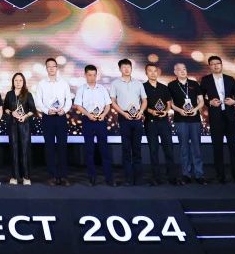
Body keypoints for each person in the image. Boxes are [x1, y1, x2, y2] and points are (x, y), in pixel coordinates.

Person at [200, 55, 235, 184]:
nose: (216, 65)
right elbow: (200, 97)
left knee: (233, 148)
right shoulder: (206, 80)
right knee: (217, 148)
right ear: (210, 66)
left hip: (230, 118)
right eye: (213, 64)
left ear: (221, 64)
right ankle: (220, 176)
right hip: (216, 118)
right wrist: (209, 102)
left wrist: (234, 101)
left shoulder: (230, 79)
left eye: (218, 63)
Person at [73, 64, 115, 186]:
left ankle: (109, 178)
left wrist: (104, 115)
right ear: (85, 75)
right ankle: (92, 177)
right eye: (90, 75)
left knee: (105, 150)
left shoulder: (102, 88)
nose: (92, 77)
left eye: (94, 75)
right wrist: (88, 114)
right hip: (88, 121)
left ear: (97, 75)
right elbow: (78, 105)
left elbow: (108, 105)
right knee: (89, 151)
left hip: (101, 121)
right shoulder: (81, 89)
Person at [110, 58, 147, 186]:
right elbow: (113, 102)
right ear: (120, 69)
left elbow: (144, 100)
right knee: (126, 149)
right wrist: (123, 113)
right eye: (124, 67)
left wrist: (141, 112)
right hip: (124, 117)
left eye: (128, 67)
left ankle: (138, 178)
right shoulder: (115, 83)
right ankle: (128, 178)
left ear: (131, 68)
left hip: (137, 117)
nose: (126, 69)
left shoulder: (138, 83)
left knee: (137, 149)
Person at [36, 57, 73, 186]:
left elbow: (69, 100)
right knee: (49, 147)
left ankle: (63, 176)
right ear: (46, 69)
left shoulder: (64, 83)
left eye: (54, 66)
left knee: (63, 147)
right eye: (49, 66)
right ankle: (52, 176)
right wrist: (47, 111)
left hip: (61, 117)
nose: (51, 68)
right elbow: (38, 102)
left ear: (57, 68)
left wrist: (65, 110)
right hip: (48, 118)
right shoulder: (41, 84)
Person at [169, 62, 205, 184]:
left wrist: (195, 109)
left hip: (195, 119)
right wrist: (180, 110)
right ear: (175, 72)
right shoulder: (171, 85)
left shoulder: (194, 84)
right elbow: (171, 104)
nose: (182, 71)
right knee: (184, 148)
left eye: (184, 69)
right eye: (179, 69)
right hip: (180, 120)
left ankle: (199, 174)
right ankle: (186, 174)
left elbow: (201, 101)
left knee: (197, 148)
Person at [143, 63, 177, 185]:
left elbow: (168, 103)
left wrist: (166, 111)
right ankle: (156, 177)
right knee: (153, 151)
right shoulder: (142, 87)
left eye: (155, 71)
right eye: (150, 71)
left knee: (169, 150)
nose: (153, 73)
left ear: (158, 72)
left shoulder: (164, 87)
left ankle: (172, 177)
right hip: (150, 123)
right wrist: (151, 111)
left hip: (164, 122)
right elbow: (141, 104)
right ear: (146, 73)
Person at [3, 71, 37, 185]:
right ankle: (14, 176)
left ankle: (26, 177)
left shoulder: (28, 94)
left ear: (24, 82)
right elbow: (5, 108)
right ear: (13, 82)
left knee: (25, 150)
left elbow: (33, 110)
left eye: (20, 80)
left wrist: (25, 116)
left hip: (24, 126)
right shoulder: (9, 94)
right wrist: (11, 112)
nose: (18, 82)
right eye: (16, 80)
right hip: (12, 125)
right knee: (14, 150)